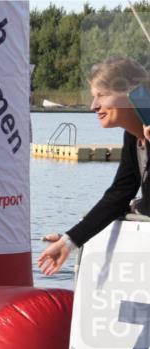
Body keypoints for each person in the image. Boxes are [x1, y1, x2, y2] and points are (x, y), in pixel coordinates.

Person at [39, 58, 150, 275]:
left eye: (101, 95)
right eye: (93, 96)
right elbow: (118, 195)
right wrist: (69, 241)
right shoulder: (132, 138)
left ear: (132, 93)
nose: (93, 106)